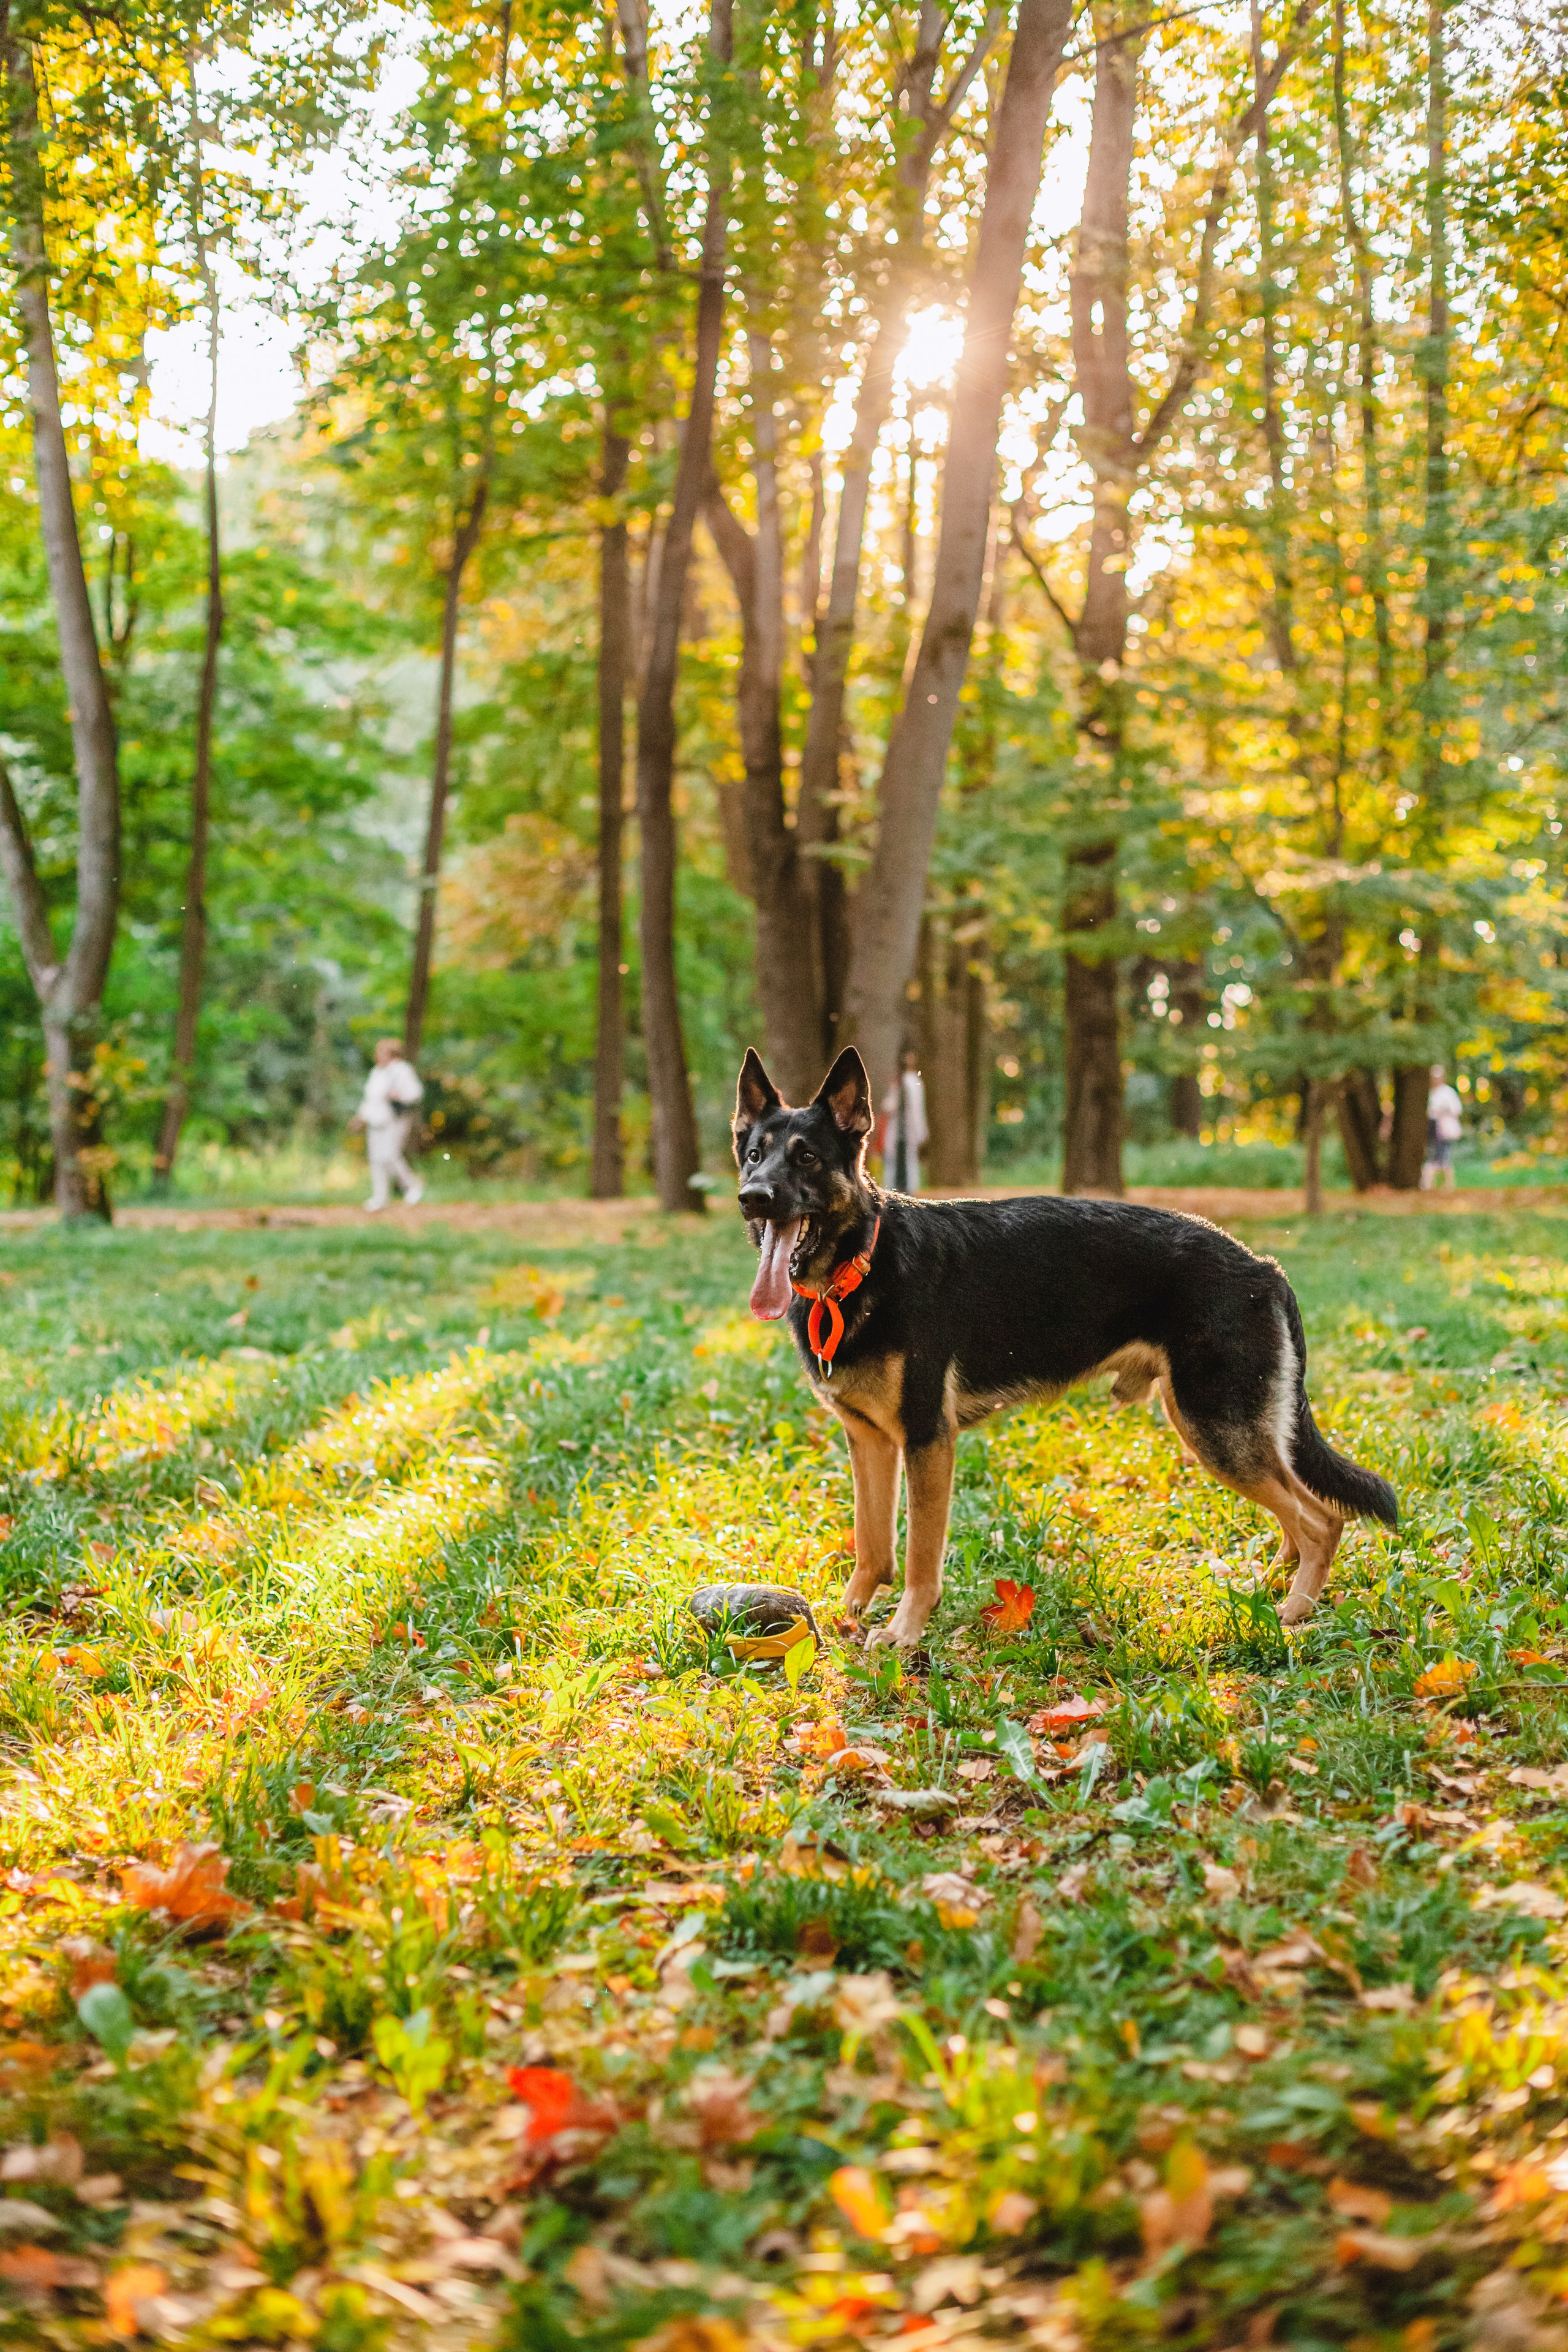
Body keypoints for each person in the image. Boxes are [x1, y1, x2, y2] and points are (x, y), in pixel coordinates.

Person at [351, 1038, 424, 1211]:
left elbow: (415, 1093)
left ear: (391, 1053)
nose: (377, 1055)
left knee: (390, 1156)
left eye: (381, 1052)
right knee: (376, 1160)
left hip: (395, 1119)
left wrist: (399, 1095)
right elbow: (371, 1099)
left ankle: (412, 1186)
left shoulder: (402, 1070)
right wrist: (360, 1117)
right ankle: (380, 1198)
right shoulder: (376, 1072)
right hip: (375, 1121)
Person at [881, 1051, 929, 1193]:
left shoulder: (913, 1082)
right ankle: (894, 1190)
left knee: (908, 1161)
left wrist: (920, 1130)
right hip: (899, 1130)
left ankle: (906, 1190)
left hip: (908, 1131)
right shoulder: (901, 1082)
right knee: (896, 1161)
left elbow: (917, 1109)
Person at [1423, 1063, 1463, 1191]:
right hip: (1431, 1127)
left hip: (1443, 1129)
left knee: (1443, 1156)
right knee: (1431, 1154)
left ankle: (1447, 1186)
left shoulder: (1448, 1092)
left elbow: (1457, 1109)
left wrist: (1443, 1110)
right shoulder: (1428, 1092)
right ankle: (1428, 1185)